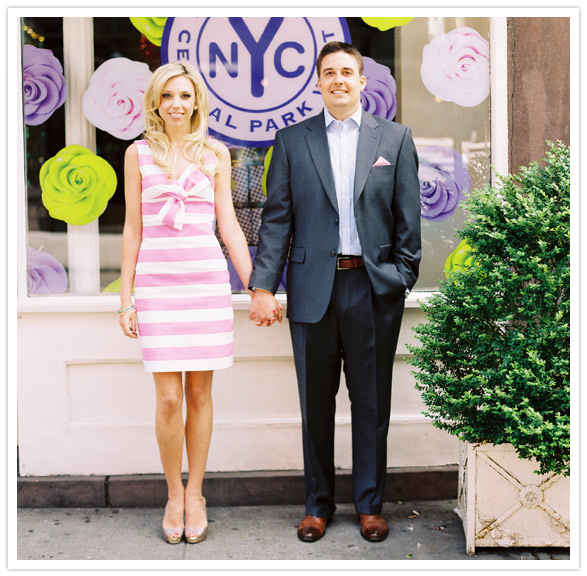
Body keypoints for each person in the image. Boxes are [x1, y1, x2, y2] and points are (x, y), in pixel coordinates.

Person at [249, 42, 421, 543]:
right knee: (315, 403)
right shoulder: (291, 141)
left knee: (371, 403)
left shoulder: (394, 138)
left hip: (371, 288)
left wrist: (400, 277)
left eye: (348, 72)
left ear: (363, 81)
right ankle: (317, 506)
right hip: (311, 290)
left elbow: (408, 218)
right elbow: (277, 219)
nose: (339, 80)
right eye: (330, 73)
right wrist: (263, 284)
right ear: (318, 83)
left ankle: (370, 505)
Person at [118, 61, 274, 544]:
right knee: (167, 398)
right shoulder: (137, 154)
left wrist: (254, 287)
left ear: (196, 102)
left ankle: (197, 493)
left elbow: (228, 225)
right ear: (156, 103)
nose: (177, 104)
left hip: (204, 283)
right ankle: (172, 492)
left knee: (201, 395)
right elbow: (132, 229)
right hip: (157, 286)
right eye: (168, 96)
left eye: (185, 96)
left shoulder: (214, 153)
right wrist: (126, 300)